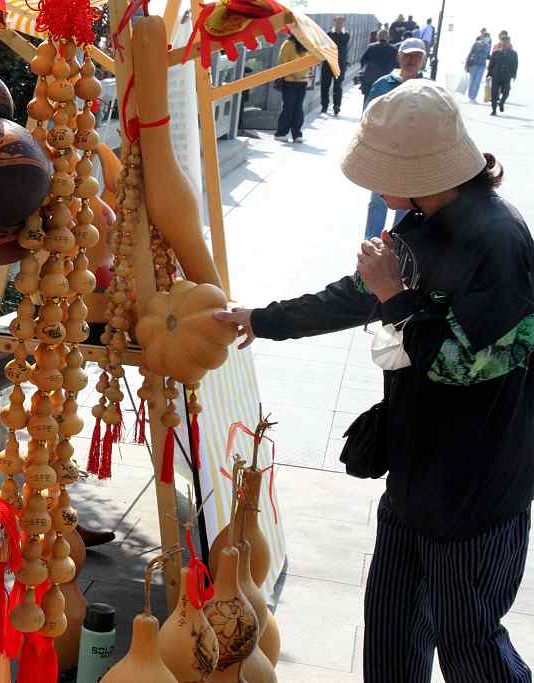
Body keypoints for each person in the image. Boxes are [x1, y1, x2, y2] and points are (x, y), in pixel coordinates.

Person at [217, 79, 534, 683]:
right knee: (389, 632)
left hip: (478, 484)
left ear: (421, 169)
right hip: (419, 470)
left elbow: (463, 366)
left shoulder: (500, 241)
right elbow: (350, 298)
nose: (372, 187)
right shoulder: (419, 225)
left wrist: (394, 295)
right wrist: (262, 319)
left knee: (469, 646)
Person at [362, 38, 427, 240]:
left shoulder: (428, 88)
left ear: (423, 60)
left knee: (407, 207)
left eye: (417, 56)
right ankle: (371, 247)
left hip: (413, 158)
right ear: (399, 56)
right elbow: (366, 119)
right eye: (407, 55)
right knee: (378, 204)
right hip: (384, 156)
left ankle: (398, 249)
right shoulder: (382, 85)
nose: (411, 60)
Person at [274, 36, 310, 143]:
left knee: (298, 108)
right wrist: (295, 74)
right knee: (288, 107)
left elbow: (310, 61)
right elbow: (283, 62)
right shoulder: (288, 44)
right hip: (289, 81)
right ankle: (280, 133)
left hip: (303, 81)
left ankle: (297, 134)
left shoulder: (307, 43)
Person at [321, 15, 350, 116]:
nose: (339, 24)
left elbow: (341, 42)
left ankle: (336, 106)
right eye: (338, 22)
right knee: (325, 85)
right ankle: (324, 105)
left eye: (341, 22)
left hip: (340, 64)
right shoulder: (328, 34)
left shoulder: (346, 35)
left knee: (338, 86)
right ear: (334, 22)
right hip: (328, 63)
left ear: (343, 23)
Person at [359, 30, 398, 99]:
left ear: (377, 37)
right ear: (388, 38)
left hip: (370, 80)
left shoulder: (371, 47)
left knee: (368, 101)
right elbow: (397, 65)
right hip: (387, 80)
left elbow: (363, 60)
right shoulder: (393, 49)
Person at [489, 36, 519, 115]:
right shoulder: (496, 53)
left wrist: (514, 74)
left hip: (507, 76)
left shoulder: (514, 54)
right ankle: (494, 110)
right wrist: (489, 73)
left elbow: (515, 64)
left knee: (506, 91)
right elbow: (491, 64)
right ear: (501, 43)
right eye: (504, 42)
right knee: (494, 93)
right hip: (496, 75)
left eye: (507, 42)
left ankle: (501, 103)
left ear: (509, 43)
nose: (505, 44)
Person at [465, 33, 492, 102]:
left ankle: (473, 97)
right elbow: (470, 53)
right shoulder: (476, 44)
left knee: (477, 82)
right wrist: (466, 64)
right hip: (474, 64)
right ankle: (470, 96)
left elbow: (487, 56)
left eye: (488, 38)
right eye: (486, 37)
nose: (488, 39)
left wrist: (494, 57)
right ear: (483, 37)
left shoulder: (488, 46)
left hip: (482, 65)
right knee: (472, 81)